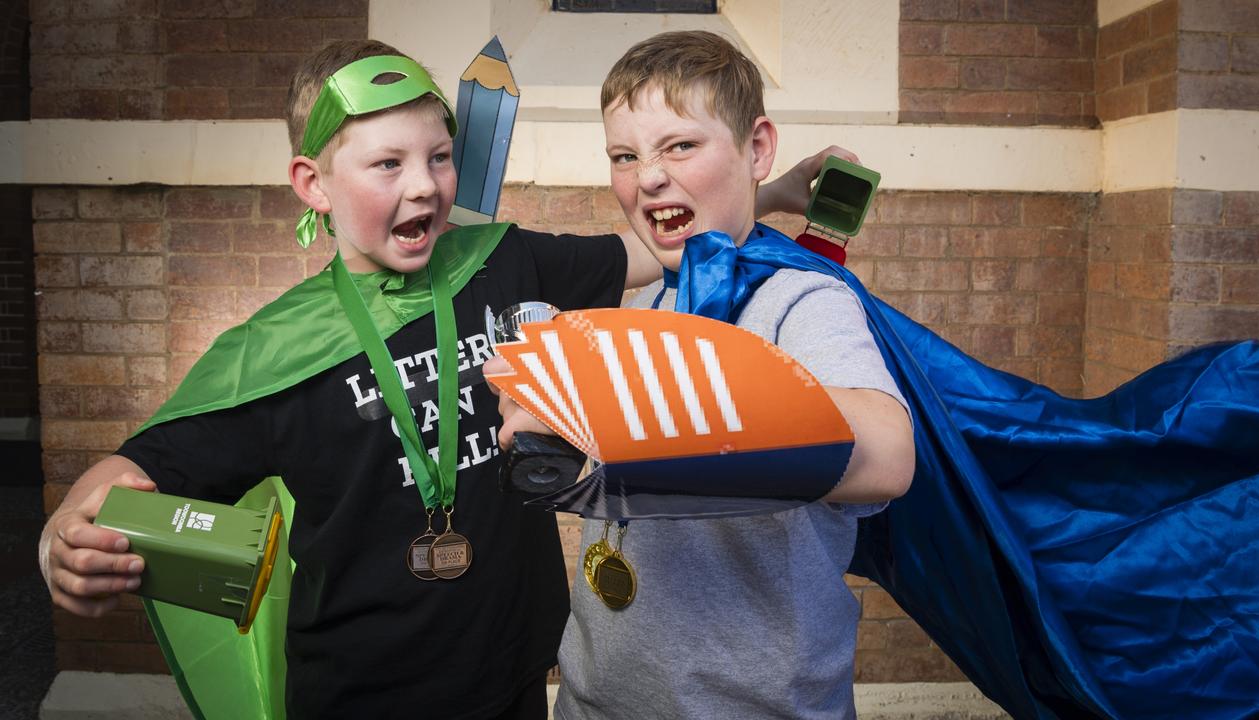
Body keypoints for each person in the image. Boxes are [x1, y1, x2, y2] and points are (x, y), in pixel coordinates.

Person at [37, 38, 841, 720]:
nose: (423, 185)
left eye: (439, 157)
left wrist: (768, 190)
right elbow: (142, 470)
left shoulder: (503, 261)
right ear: (312, 184)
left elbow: (659, 251)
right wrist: (64, 531)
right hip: (361, 692)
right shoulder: (273, 351)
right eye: (387, 163)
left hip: (517, 673)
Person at [489, 31, 916, 719]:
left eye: (679, 146)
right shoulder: (649, 293)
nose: (647, 176)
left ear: (756, 146)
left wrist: (614, 410)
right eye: (624, 155)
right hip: (595, 699)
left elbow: (889, 457)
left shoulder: (802, 301)